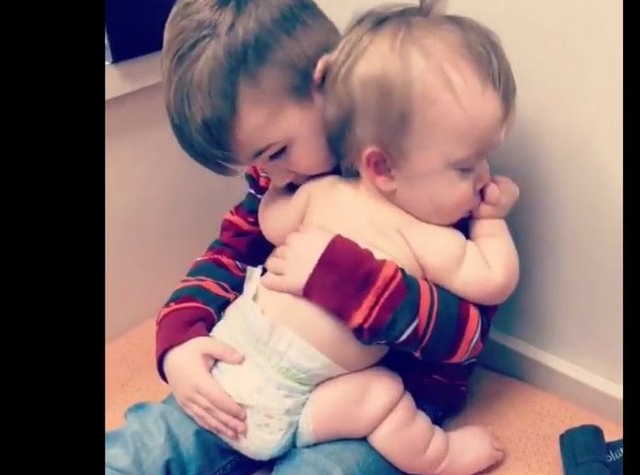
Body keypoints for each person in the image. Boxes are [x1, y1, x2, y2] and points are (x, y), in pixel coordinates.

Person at [105, 1, 519, 474]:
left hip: (377, 410)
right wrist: (179, 342)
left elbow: (464, 336)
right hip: (260, 377)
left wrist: (345, 279)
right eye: (255, 163)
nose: (267, 174)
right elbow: (230, 252)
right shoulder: (292, 183)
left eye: (277, 151)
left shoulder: (432, 181)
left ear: (325, 83)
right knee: (156, 441)